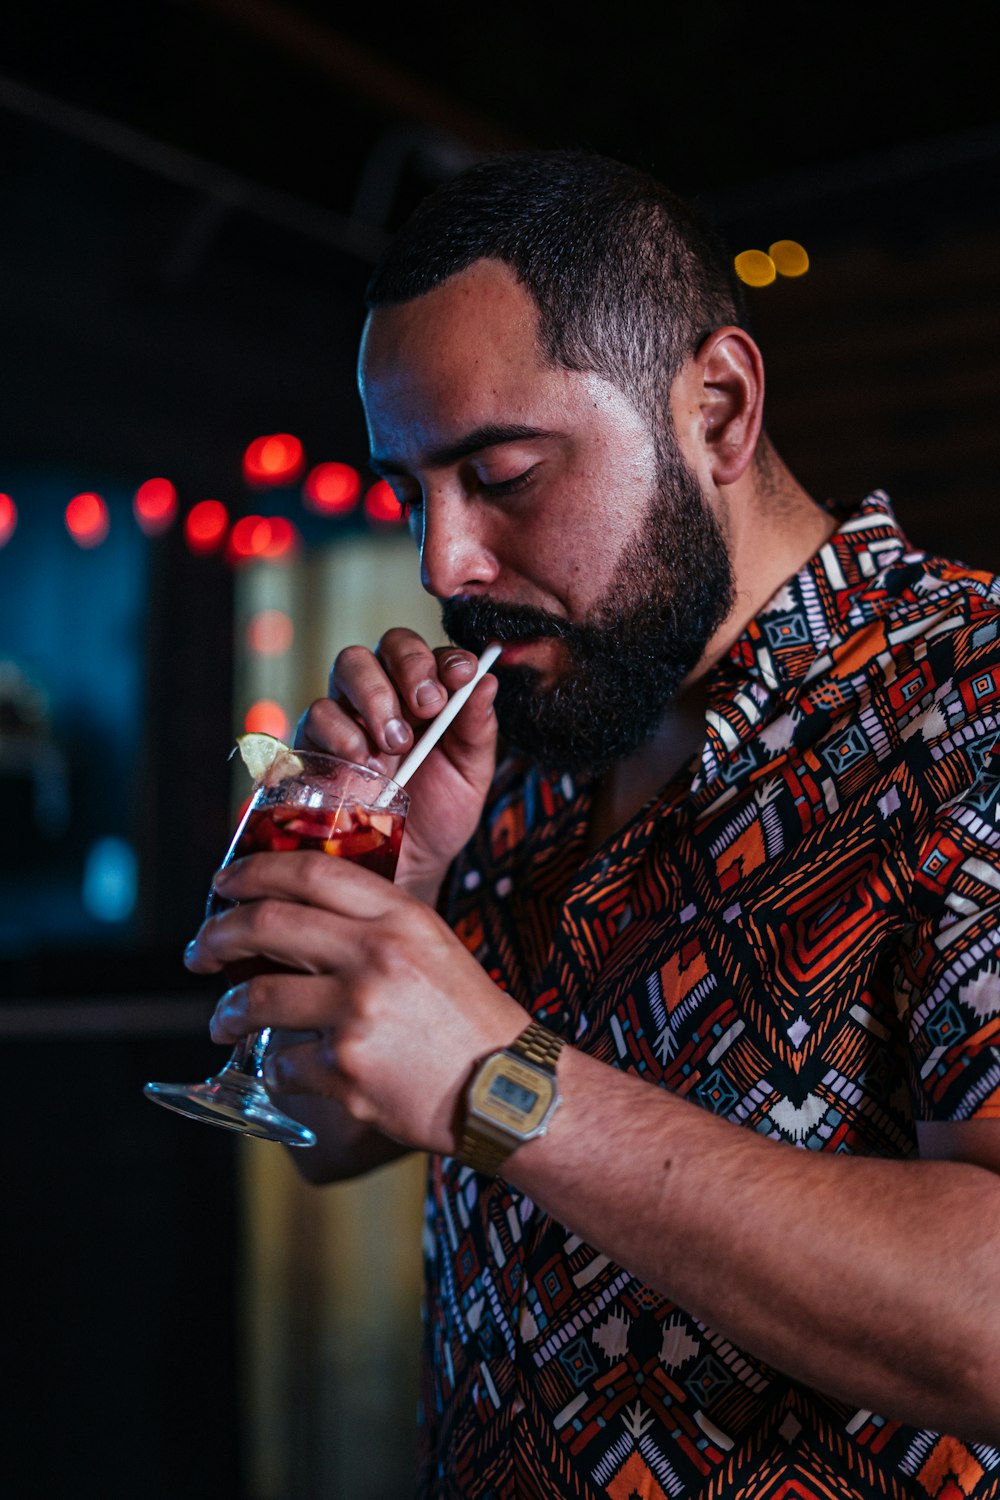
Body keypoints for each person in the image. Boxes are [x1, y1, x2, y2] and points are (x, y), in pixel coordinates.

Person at [187, 152, 1000, 1498]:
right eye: (411, 494)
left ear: (721, 408)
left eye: (500, 474)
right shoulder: (545, 731)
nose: (443, 563)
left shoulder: (966, 699)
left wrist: (504, 1076)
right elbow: (327, 1141)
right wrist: (401, 893)